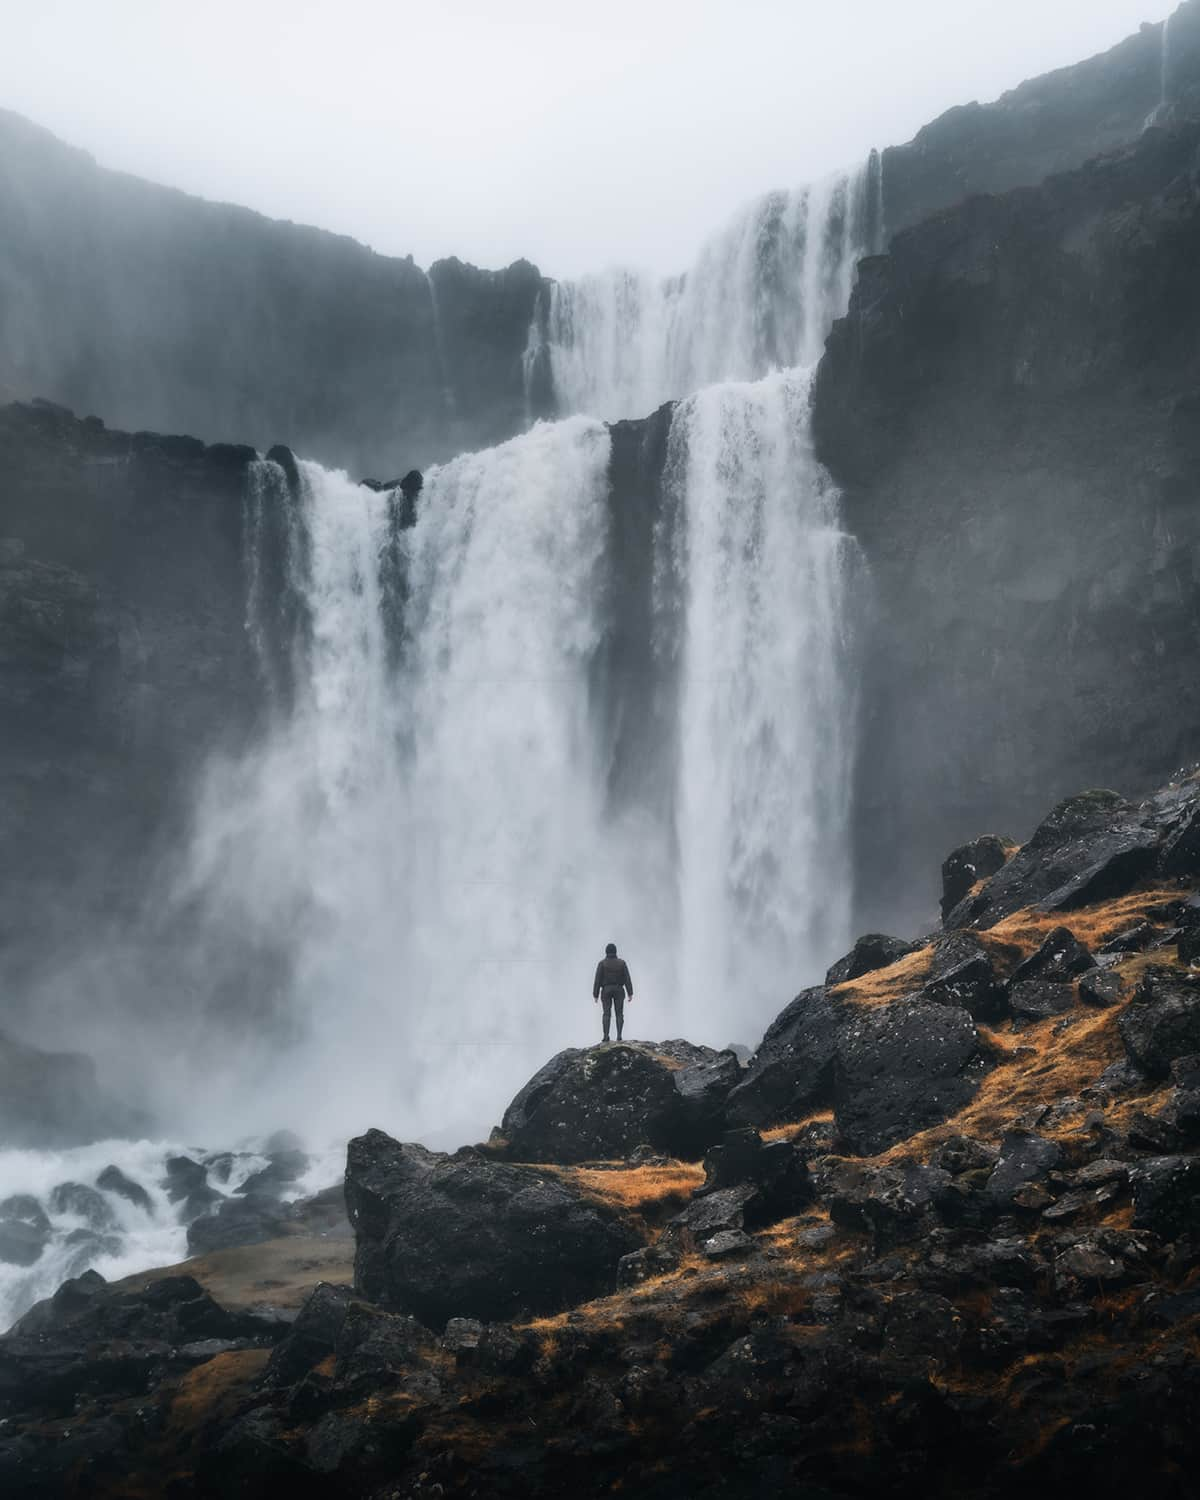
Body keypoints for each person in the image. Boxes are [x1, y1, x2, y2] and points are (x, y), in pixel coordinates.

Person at [592, 942, 633, 1043]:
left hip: (606, 990)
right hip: (619, 990)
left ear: (606, 952)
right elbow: (627, 978)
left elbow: (597, 979)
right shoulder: (622, 963)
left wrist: (595, 994)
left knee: (606, 1014)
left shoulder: (602, 963)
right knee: (619, 1014)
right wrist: (630, 992)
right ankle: (619, 1036)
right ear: (615, 952)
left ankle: (606, 1036)